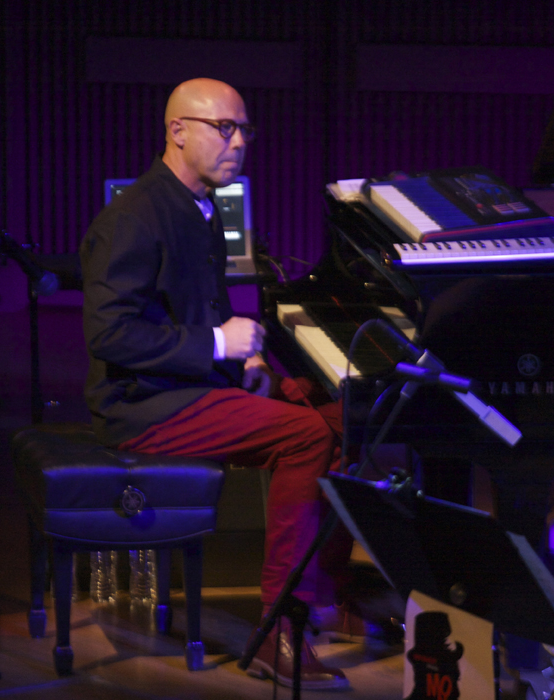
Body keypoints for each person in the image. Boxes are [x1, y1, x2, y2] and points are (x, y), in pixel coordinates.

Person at [80, 77, 352, 690]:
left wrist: (244, 366)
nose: (238, 143)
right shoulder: (134, 217)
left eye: (244, 130)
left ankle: (330, 595)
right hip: (142, 404)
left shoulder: (201, 208)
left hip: (190, 384)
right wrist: (216, 346)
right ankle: (279, 629)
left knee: (343, 415)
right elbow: (110, 335)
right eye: (222, 128)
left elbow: (199, 314)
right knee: (307, 437)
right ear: (177, 131)